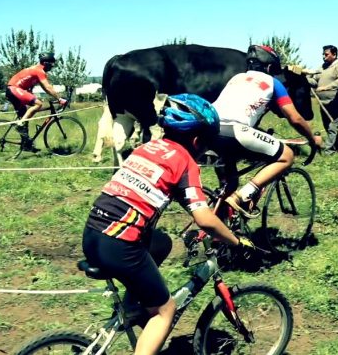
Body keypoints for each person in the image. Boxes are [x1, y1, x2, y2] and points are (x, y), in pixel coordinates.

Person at [82, 93, 253, 355]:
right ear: (198, 140)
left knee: (161, 243)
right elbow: (203, 218)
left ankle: (132, 308)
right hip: (119, 243)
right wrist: (236, 241)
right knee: (165, 311)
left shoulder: (147, 148)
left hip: (93, 232)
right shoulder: (184, 161)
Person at [211, 45, 323, 214]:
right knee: (286, 156)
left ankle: (219, 226)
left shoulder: (237, 78)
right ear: (269, 67)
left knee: (231, 183)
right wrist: (312, 139)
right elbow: (295, 118)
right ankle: (241, 197)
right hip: (236, 131)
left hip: (211, 130)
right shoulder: (273, 83)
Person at [5, 52, 66, 151]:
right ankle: (19, 125)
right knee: (38, 104)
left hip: (14, 90)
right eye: (51, 64)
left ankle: (26, 145)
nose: (52, 66)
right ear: (46, 63)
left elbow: (45, 89)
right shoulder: (39, 71)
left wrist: (55, 97)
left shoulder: (37, 71)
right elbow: (48, 87)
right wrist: (59, 99)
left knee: (25, 116)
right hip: (14, 89)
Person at [306, 45, 338, 154]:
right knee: (327, 125)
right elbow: (314, 81)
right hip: (323, 102)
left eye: (326, 54)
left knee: (332, 125)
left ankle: (328, 150)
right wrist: (304, 78)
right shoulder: (322, 67)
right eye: (323, 54)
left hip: (335, 102)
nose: (323, 57)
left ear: (334, 55)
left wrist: (327, 87)